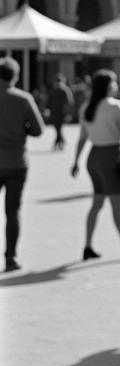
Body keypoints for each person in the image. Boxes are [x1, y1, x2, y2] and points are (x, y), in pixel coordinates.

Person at [70, 70, 120, 262]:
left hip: (93, 157)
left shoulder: (87, 107)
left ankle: (87, 245)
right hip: (110, 156)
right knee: (116, 205)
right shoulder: (115, 106)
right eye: (114, 82)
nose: (117, 85)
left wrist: (76, 162)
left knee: (96, 204)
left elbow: (82, 138)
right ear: (108, 86)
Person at [0, 57, 45, 271]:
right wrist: (22, 130)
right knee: (12, 211)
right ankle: (11, 256)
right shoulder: (23, 99)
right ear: (15, 76)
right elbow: (38, 129)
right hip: (17, 161)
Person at [48, 73, 74, 151]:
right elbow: (49, 102)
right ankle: (60, 141)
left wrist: (68, 113)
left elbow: (69, 102)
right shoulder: (54, 91)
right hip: (55, 112)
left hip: (62, 113)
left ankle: (58, 142)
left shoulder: (65, 90)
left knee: (58, 128)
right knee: (57, 128)